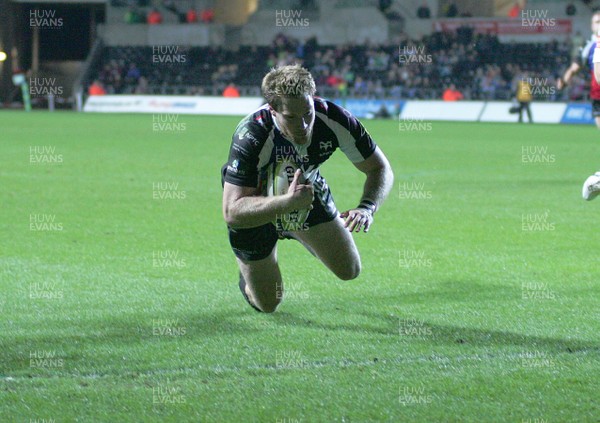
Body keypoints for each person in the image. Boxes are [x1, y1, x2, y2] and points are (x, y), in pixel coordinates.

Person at [221, 64, 394, 313]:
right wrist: (288, 204)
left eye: (307, 113)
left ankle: (295, 229)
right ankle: (249, 275)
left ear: (313, 100)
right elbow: (232, 210)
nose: (302, 125)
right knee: (267, 304)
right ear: (273, 110)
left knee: (349, 270)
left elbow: (380, 169)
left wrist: (367, 207)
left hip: (304, 193)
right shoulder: (252, 134)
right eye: (291, 117)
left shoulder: (334, 118)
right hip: (255, 203)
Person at [557, 11, 600, 129]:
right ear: (592, 26)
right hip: (598, 95)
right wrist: (564, 81)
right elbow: (573, 69)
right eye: (597, 22)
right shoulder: (587, 47)